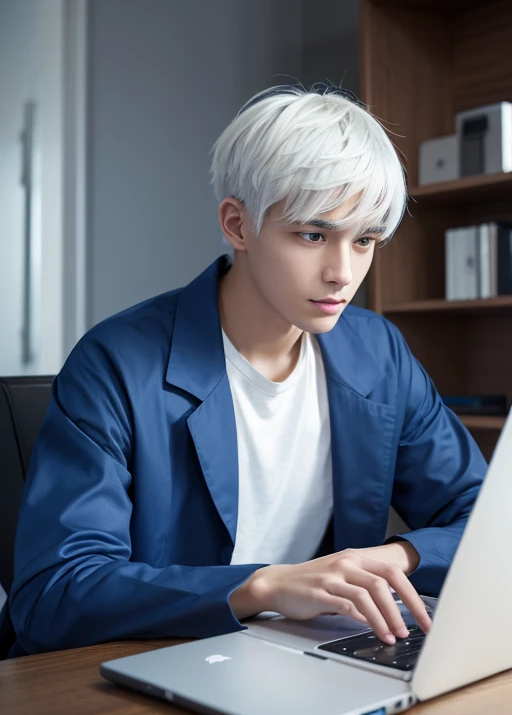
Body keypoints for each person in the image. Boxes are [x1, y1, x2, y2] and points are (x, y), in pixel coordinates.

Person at [3, 80, 487, 659]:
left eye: (365, 240)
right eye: (313, 234)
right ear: (238, 225)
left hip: (311, 659)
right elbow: (51, 594)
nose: (343, 272)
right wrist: (260, 587)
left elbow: (485, 525)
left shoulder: (378, 353)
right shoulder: (114, 363)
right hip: (143, 672)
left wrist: (395, 557)